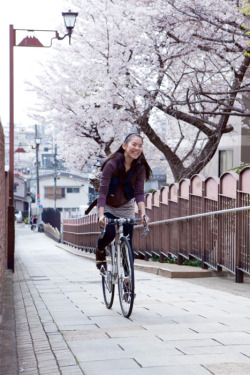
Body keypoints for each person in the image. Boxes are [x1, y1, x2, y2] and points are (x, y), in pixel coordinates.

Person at [96, 132, 152, 270]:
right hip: (108, 205)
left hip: (126, 205)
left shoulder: (140, 167)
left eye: (140, 146)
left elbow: (139, 192)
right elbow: (102, 191)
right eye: (134, 144)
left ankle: (128, 285)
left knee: (127, 243)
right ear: (124, 146)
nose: (137, 148)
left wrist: (143, 214)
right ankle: (100, 250)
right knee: (109, 233)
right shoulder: (111, 164)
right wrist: (101, 215)